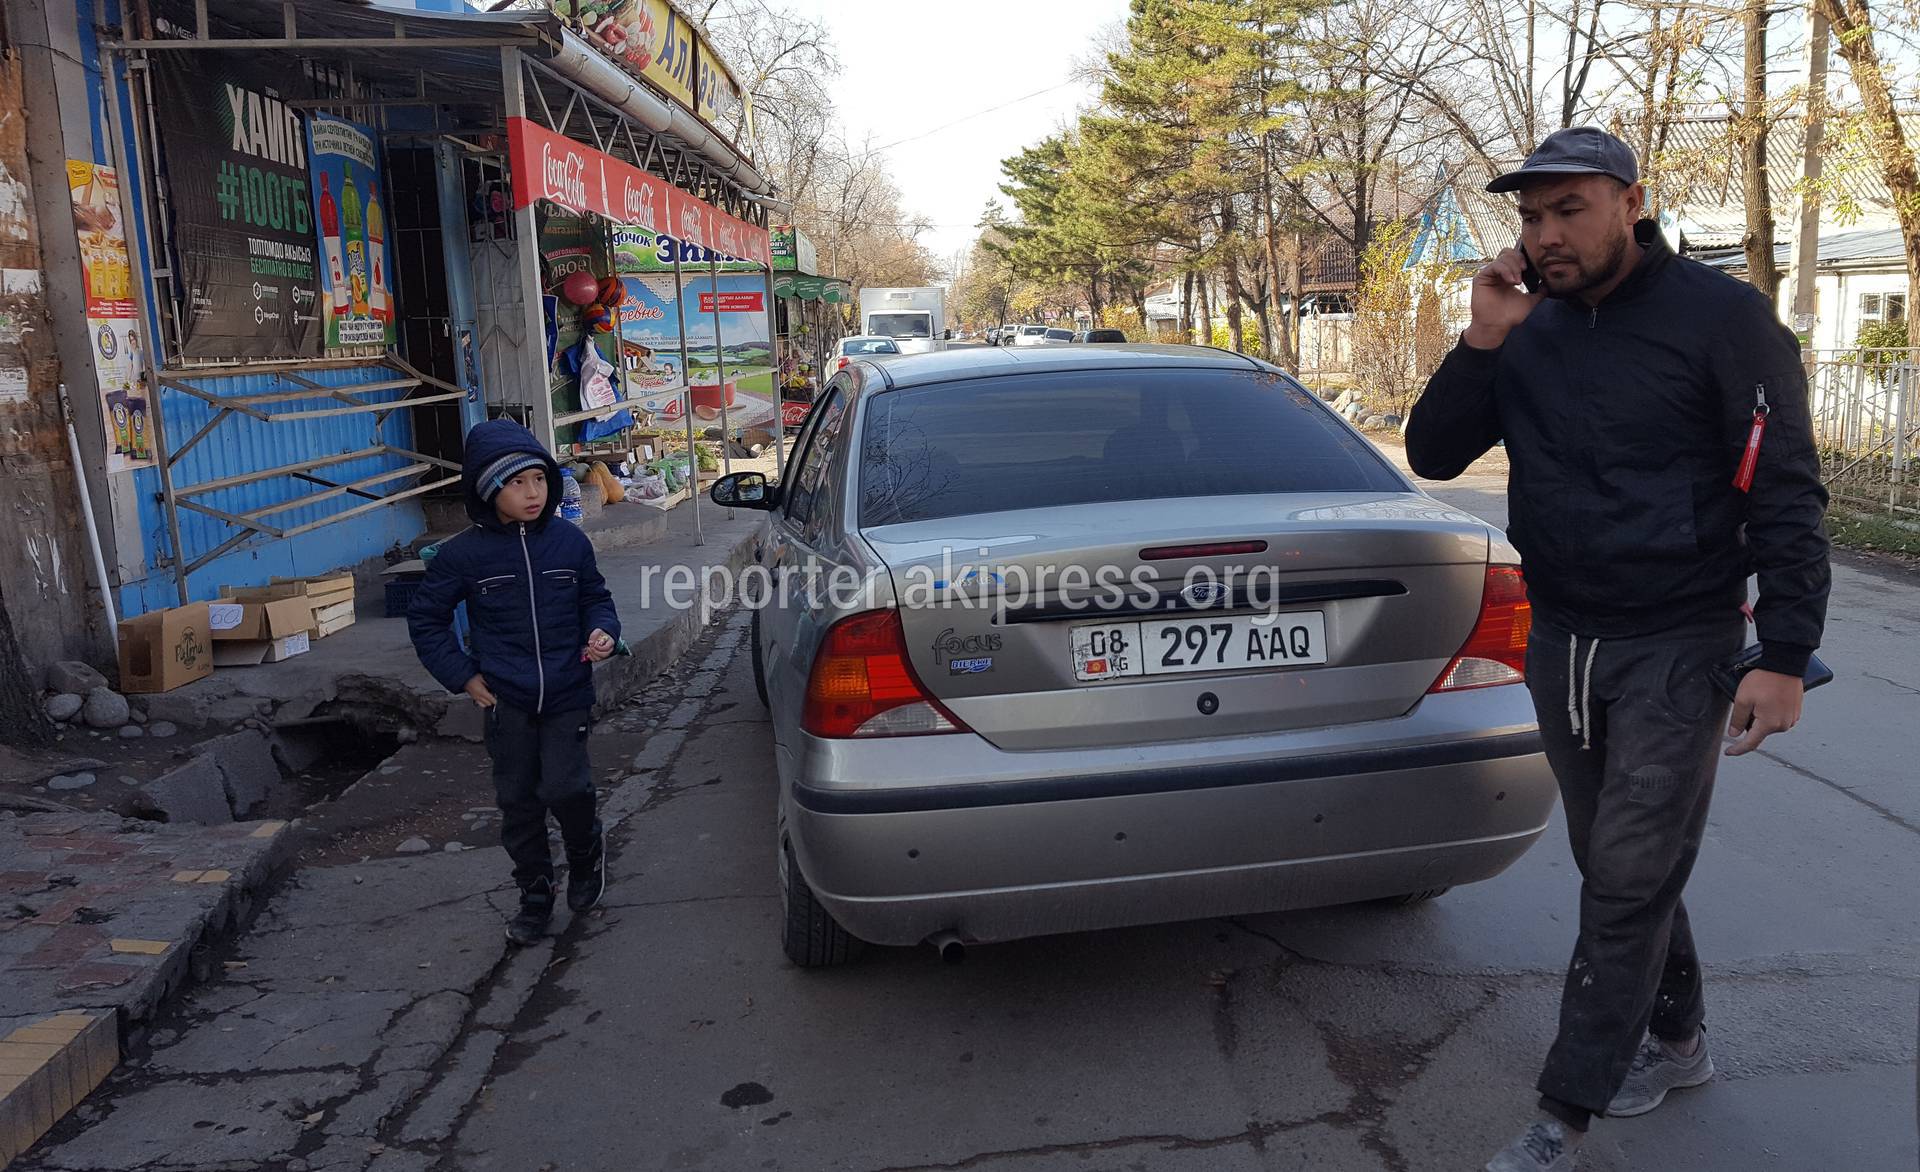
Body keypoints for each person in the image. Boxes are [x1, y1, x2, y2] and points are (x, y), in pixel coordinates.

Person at [1405, 127, 1830, 1171]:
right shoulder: (1527, 326)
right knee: (1617, 863)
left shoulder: (1724, 323)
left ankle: (1565, 1107)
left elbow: (1788, 491)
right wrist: (1485, 338)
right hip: (1564, 640)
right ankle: (1677, 1034)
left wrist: (1783, 650)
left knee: (1630, 874)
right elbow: (1431, 451)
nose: (1547, 236)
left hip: (1680, 643)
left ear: (1631, 202)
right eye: (1532, 216)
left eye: (1571, 210)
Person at [407, 418, 622, 946]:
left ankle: (586, 853)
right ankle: (535, 892)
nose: (533, 493)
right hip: (506, 700)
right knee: (520, 800)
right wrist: (463, 677)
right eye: (517, 483)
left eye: (540, 480)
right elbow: (426, 618)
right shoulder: (463, 556)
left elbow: (595, 597)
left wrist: (603, 631)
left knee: (567, 786)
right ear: (487, 489)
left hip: (568, 689)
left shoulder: (569, 543)